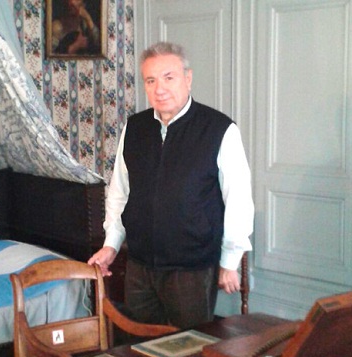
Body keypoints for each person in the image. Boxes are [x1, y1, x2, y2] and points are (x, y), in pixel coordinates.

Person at [88, 41, 254, 329]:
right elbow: (119, 192)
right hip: (140, 265)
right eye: (150, 80)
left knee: (188, 352)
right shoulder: (135, 128)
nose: (159, 88)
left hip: (191, 268)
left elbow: (238, 199)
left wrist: (229, 260)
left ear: (187, 78)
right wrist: (111, 244)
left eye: (169, 77)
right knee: (139, 347)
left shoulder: (218, 129)